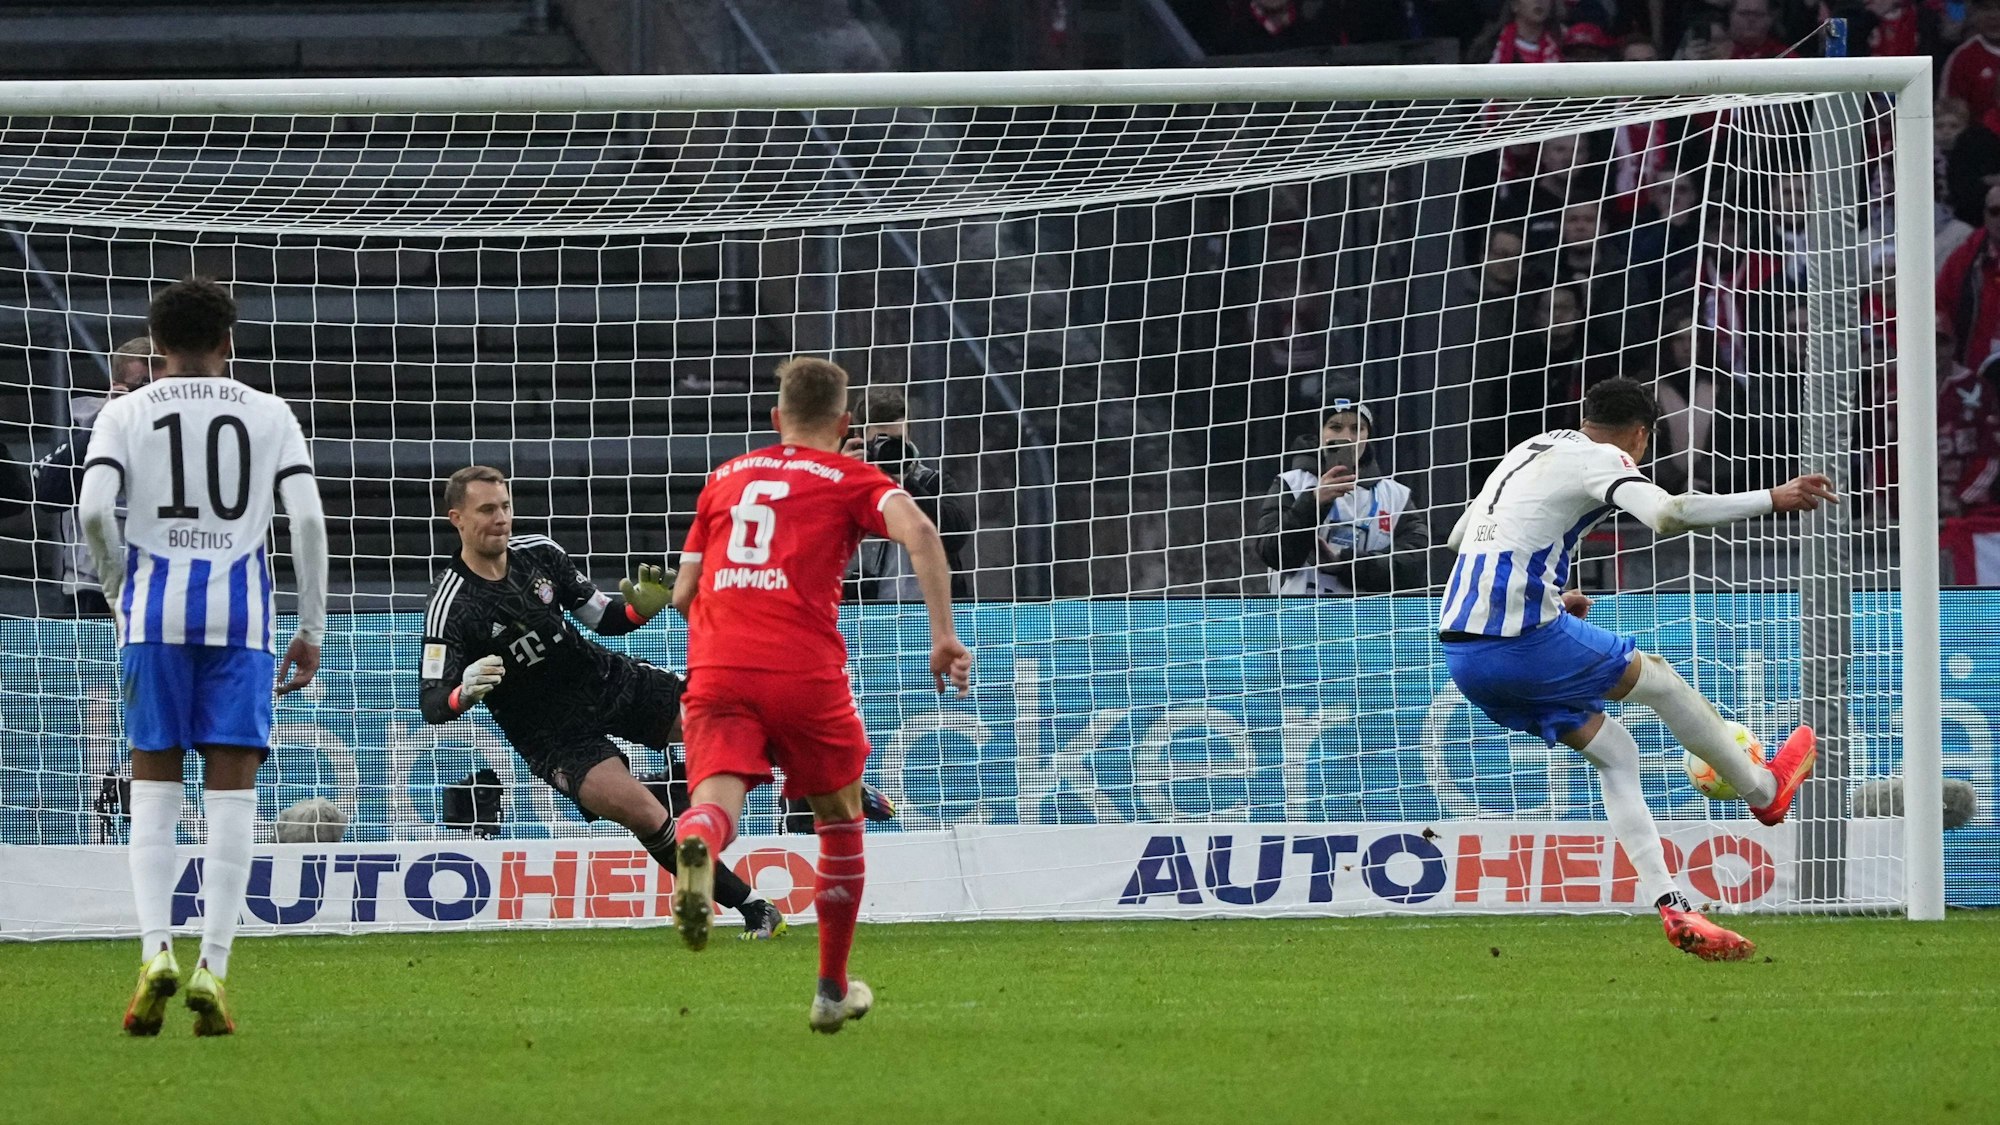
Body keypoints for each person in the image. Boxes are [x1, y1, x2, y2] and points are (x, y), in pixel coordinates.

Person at [1438, 377, 1828, 960]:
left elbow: (1458, 538)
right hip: (1521, 643)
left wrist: (1547, 594)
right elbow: (1667, 514)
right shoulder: (1605, 459)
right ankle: (1763, 789)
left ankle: (1672, 905)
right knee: (1663, 681)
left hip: (1465, 656)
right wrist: (1773, 498)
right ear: (1642, 435)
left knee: (1617, 753)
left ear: (1583, 413)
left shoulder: (1531, 448)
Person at [667, 356, 970, 1034]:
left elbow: (683, 594)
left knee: (714, 802)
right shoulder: (853, 474)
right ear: (845, 423)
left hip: (717, 663)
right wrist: (944, 636)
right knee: (839, 817)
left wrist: (730, 634)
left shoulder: (724, 478)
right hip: (803, 665)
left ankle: (697, 846)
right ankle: (831, 989)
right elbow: (921, 533)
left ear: (776, 420)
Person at [79, 279, 328, 1036]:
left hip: (154, 617)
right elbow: (308, 519)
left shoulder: (124, 411)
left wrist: (122, 583)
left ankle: (155, 950)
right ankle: (213, 970)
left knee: (153, 791)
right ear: (229, 342)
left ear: (156, 345)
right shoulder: (269, 412)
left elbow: (93, 509)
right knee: (231, 802)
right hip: (242, 623)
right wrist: (311, 625)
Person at [415, 465, 787, 940]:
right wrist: (462, 691)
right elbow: (432, 702)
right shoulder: (451, 604)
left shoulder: (541, 555)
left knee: (727, 721)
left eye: (505, 506)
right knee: (648, 816)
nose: (501, 517)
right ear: (457, 519)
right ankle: (755, 908)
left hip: (609, 682)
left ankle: (827, 781)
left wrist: (639, 608)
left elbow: (605, 618)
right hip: (553, 734)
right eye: (487, 509)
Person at [1256, 392, 1428, 594]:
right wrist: (1312, 503)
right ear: (1319, 432)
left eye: (1357, 428)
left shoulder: (1396, 497)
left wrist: (1346, 563)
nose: (1347, 437)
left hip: (1368, 621)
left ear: (1368, 435)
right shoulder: (1291, 483)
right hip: (1298, 619)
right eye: (1335, 427)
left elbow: (1414, 566)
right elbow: (1271, 553)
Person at [33, 336, 156, 615]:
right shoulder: (88, 423)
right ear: (119, 387)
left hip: (168, 581)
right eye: (146, 385)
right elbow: (48, 495)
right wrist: (108, 419)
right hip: (95, 588)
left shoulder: (190, 430)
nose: (155, 396)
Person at [840, 385, 973, 602]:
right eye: (880, 442)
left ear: (909, 437)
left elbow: (956, 535)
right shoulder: (844, 485)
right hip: (866, 614)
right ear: (859, 439)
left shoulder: (930, 482)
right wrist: (839, 479)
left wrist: (904, 482)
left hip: (929, 615)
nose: (889, 450)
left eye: (897, 442)